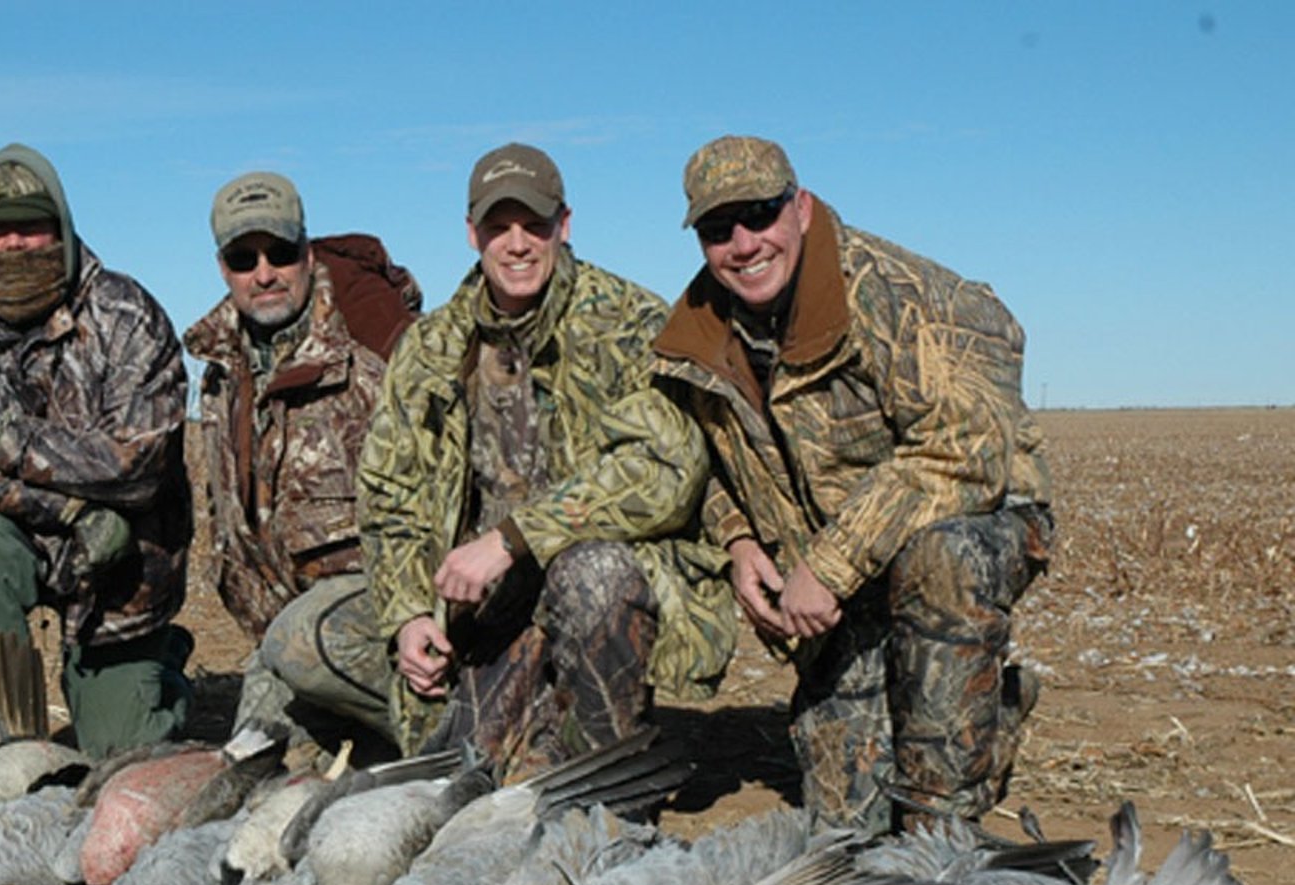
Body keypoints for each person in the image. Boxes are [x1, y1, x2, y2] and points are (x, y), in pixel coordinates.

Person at [652, 135, 1054, 834]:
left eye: (759, 215)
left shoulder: (907, 297)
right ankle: (975, 710)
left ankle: (944, 824)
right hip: (840, 569)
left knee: (943, 559)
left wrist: (830, 567)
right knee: (847, 819)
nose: (743, 244)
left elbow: (967, 450)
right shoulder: (697, 334)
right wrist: (738, 540)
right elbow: (700, 458)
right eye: (719, 229)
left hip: (969, 525)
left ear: (800, 208)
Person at [358, 143, 736, 780]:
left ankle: (612, 783)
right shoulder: (431, 346)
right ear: (472, 233)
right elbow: (390, 490)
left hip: (593, 580)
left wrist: (512, 539)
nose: (518, 244)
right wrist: (408, 616)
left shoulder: (628, 321)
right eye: (499, 227)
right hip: (486, 605)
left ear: (564, 225)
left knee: (594, 575)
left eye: (535, 225)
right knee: (461, 774)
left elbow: (665, 471)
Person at [0, 142, 192, 758]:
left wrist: (0, 440)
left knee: (123, 759)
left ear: (62, 227)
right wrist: (74, 512)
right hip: (21, 538)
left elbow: (138, 467)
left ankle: (160, 666)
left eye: (32, 228)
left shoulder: (128, 315)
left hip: (125, 558)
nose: (16, 245)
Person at [183, 171, 421, 758]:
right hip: (288, 639)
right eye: (243, 258)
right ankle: (356, 730)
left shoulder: (376, 349)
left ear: (307, 253)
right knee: (247, 764)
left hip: (389, 621)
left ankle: (464, 734)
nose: (264, 273)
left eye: (280, 253)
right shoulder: (219, 374)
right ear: (223, 268)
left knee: (299, 646)